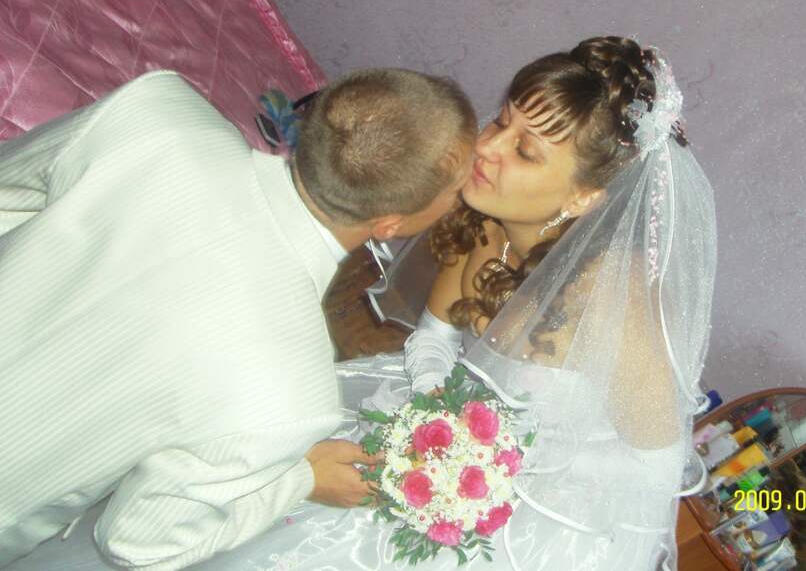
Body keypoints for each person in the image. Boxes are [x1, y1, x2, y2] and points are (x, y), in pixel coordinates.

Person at [10, 35, 716, 571]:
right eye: (500, 121)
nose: (488, 148)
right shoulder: (486, 224)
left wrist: (492, 463)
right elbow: (433, 339)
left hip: (537, 514)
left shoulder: (620, 309)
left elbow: (654, 475)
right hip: (439, 441)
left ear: (587, 196)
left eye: (525, 151)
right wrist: (434, 410)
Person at [0, 67, 477, 569]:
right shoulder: (291, 394)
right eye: (455, 190)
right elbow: (137, 542)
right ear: (390, 225)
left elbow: (10, 190)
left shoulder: (155, 112)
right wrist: (300, 481)